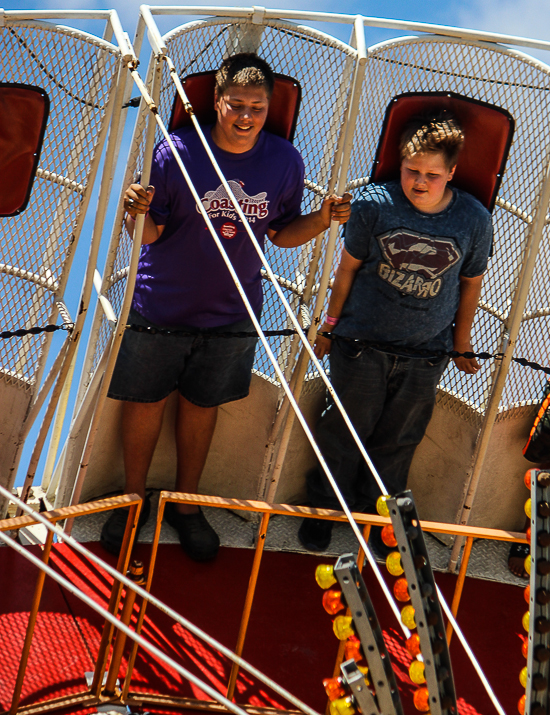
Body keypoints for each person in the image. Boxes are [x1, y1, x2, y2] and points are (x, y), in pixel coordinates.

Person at [100, 53, 351, 560]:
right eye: (235, 104)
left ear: (268, 108)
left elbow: (281, 236)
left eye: (256, 107)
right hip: (161, 306)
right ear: (215, 102)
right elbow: (150, 235)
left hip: (233, 311)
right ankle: (131, 501)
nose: (245, 116)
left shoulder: (285, 161)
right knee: (145, 402)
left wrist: (323, 220)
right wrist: (134, 213)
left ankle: (186, 505)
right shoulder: (176, 151)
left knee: (202, 405)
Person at [298, 111, 493, 553]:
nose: (420, 182)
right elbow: (346, 271)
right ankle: (324, 509)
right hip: (361, 346)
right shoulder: (373, 204)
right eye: (412, 171)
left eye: (432, 175)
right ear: (399, 164)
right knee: (344, 430)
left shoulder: (474, 220)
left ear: (452, 174)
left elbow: (470, 285)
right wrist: (329, 327)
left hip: (426, 354)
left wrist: (460, 346)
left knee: (399, 441)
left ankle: (378, 522)